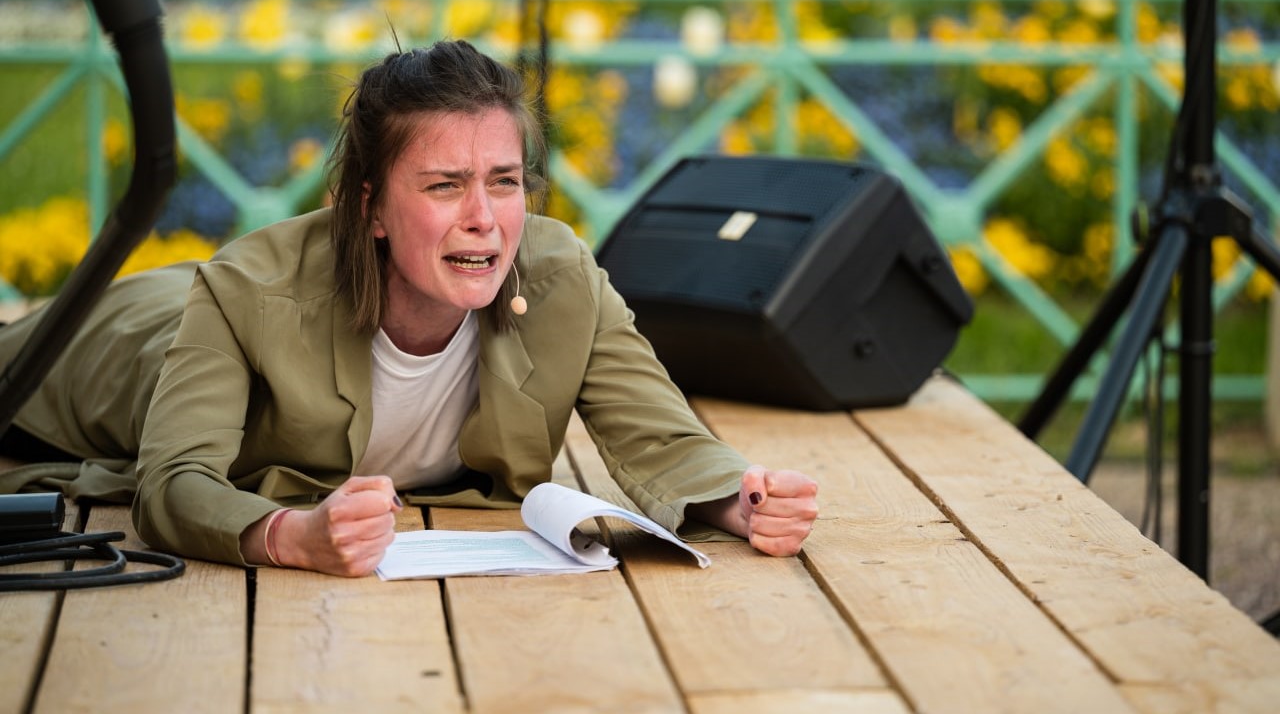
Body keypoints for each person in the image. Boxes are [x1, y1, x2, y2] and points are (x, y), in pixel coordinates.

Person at [0, 40, 818, 576]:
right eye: (443, 185)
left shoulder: (562, 274)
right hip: (110, 342)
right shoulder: (246, 292)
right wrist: (293, 537)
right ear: (371, 208)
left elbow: (665, 438)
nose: (485, 217)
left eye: (503, 180)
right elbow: (173, 483)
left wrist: (735, 500)